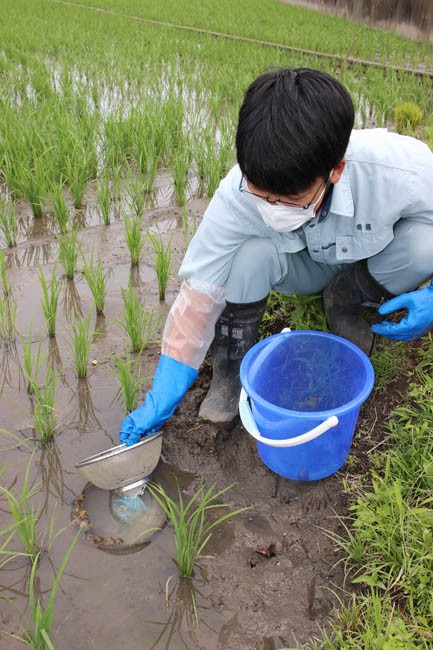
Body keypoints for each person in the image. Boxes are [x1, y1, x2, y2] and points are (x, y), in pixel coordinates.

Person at [119, 67, 433, 447]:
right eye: (262, 194)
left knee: (424, 246)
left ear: (335, 170)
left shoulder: (404, 169)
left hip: (378, 257)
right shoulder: (236, 194)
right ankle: (231, 371)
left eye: (290, 199)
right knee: (246, 256)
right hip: (307, 265)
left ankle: (346, 304)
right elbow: (199, 296)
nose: (273, 208)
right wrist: (161, 398)